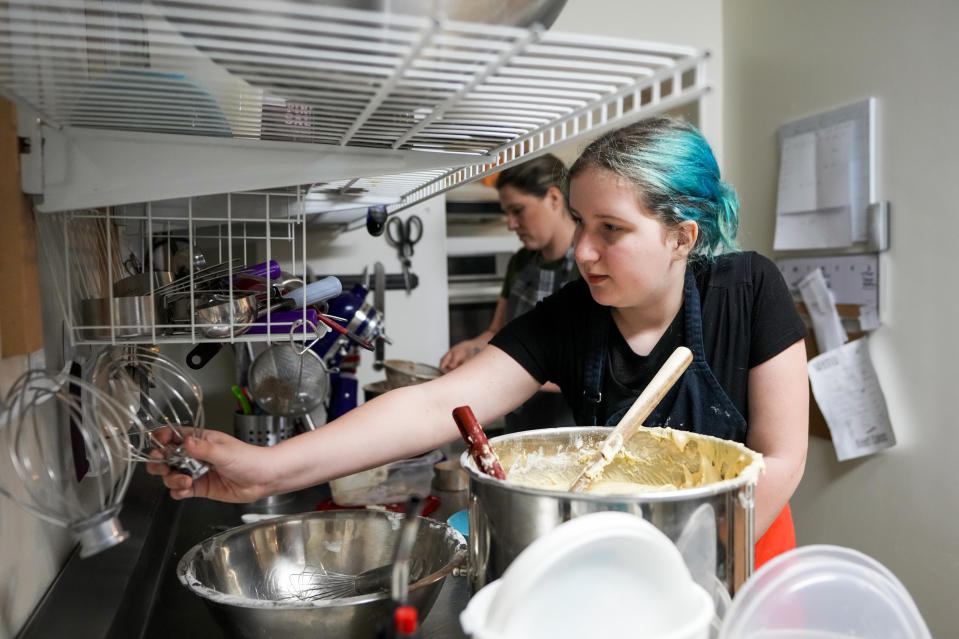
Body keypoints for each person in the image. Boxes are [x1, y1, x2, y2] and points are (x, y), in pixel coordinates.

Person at [149, 117, 808, 565]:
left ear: (680, 237)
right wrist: (266, 467)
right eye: (580, 223)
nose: (582, 250)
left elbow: (779, 460)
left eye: (610, 228)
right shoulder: (571, 316)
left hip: (741, 551)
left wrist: (687, 569)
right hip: (618, 554)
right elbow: (433, 405)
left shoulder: (748, 291)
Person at [440, 153, 579, 432]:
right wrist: (472, 348)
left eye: (518, 210)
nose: (511, 224)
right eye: (507, 213)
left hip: (571, 423)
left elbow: (587, 367)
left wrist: (510, 373)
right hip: (520, 419)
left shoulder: (589, 264)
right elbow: (499, 331)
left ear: (553, 198)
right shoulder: (521, 262)